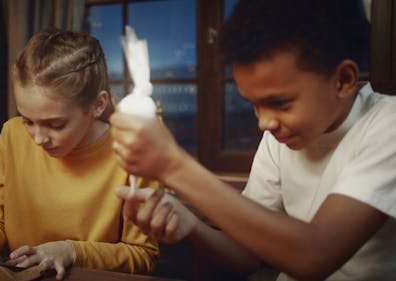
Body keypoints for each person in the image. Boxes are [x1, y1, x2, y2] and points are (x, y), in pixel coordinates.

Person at [110, 0, 396, 280]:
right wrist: (192, 225)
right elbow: (245, 257)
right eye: (254, 105)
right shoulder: (280, 138)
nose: (264, 123)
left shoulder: (387, 125)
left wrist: (173, 165)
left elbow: (315, 255)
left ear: (343, 80)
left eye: (281, 104)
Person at [0, 29, 159, 280]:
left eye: (55, 125)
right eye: (28, 121)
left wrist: (71, 251)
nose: (37, 138)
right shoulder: (12, 135)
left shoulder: (134, 156)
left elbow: (142, 255)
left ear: (98, 105)